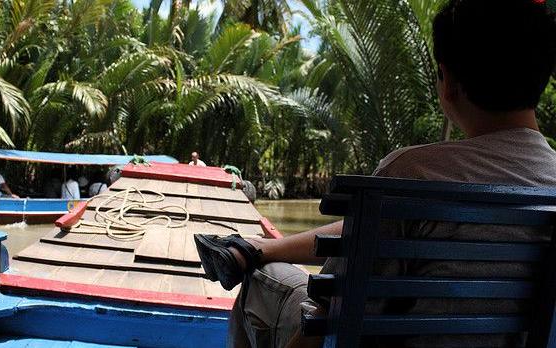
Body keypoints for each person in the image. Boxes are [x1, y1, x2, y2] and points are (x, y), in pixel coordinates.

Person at [193, 1, 556, 347]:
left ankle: (255, 258)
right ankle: (258, 249)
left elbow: (331, 316)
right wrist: (265, 248)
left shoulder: (413, 174)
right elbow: (372, 232)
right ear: (541, 76)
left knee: (264, 282)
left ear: (448, 83)